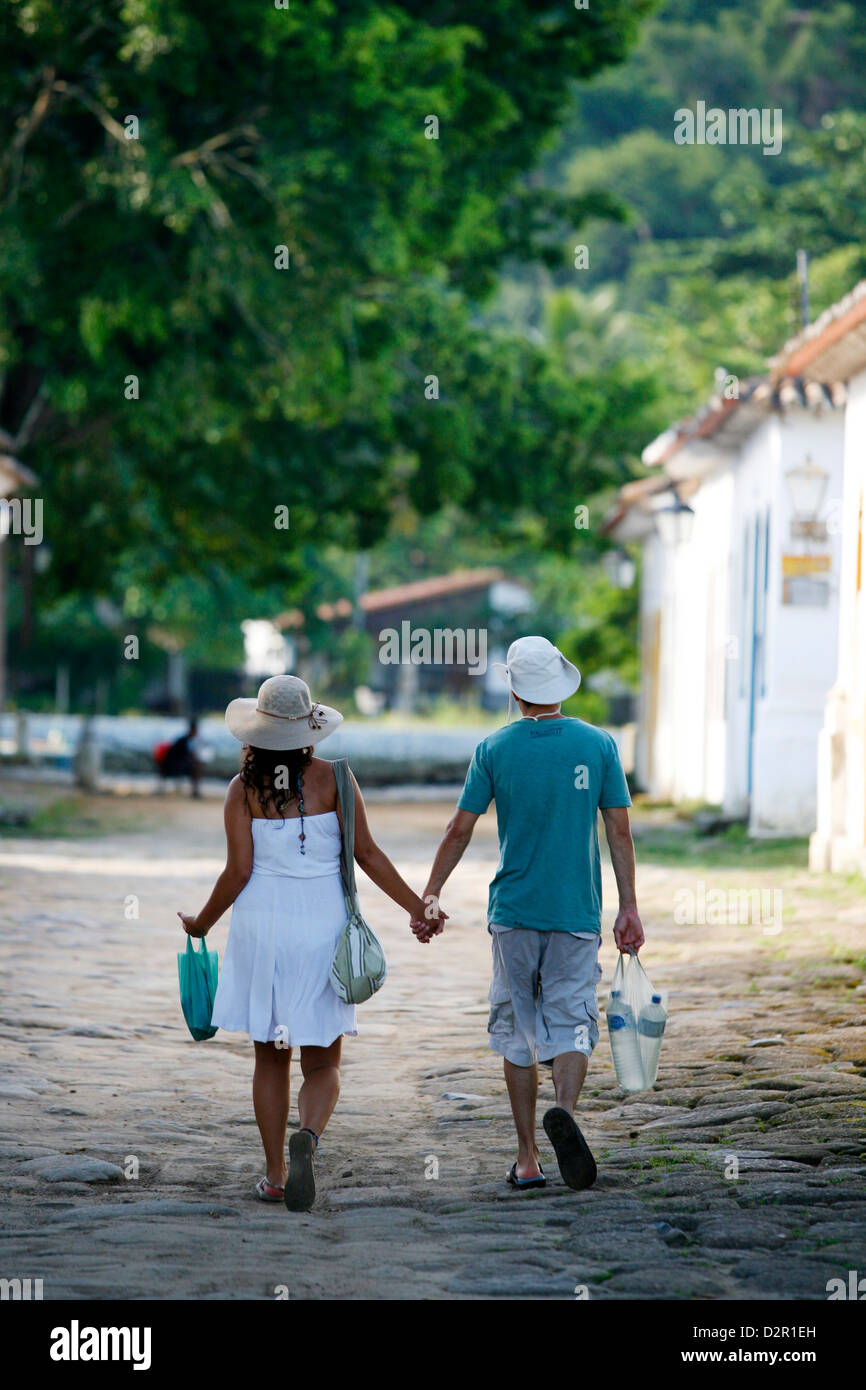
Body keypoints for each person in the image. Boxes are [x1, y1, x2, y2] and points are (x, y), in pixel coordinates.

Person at [177, 675, 440, 1212]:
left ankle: (275, 1175)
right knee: (323, 1066)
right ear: (309, 731)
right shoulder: (337, 781)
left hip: (261, 931)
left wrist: (201, 923)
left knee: (271, 1059)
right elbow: (367, 855)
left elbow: (238, 872)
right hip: (323, 929)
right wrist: (419, 908)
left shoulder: (240, 790)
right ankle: (309, 1138)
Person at [412, 635, 644, 1193]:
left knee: (518, 1028)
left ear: (513, 690)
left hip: (514, 910)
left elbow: (458, 829)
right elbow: (619, 831)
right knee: (571, 1018)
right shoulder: (599, 745)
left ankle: (527, 1159)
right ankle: (564, 1109)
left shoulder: (494, 749)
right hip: (576, 911)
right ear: (560, 686)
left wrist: (431, 894)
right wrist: (629, 907)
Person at [156, 719, 201, 798]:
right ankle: (195, 792)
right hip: (172, 765)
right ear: (193, 730)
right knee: (195, 768)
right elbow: (186, 756)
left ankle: (195, 791)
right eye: (196, 730)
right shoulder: (184, 741)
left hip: (170, 764)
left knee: (194, 767)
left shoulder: (184, 740)